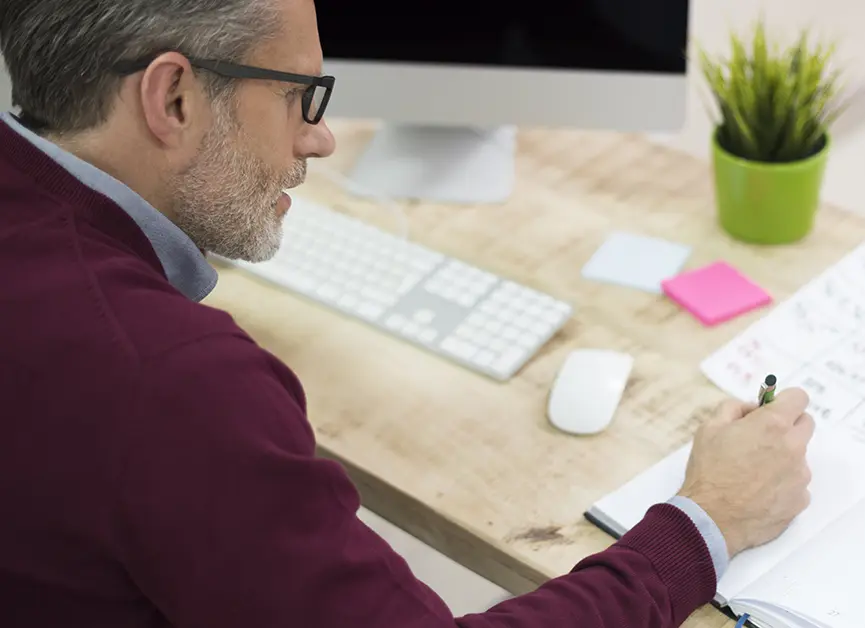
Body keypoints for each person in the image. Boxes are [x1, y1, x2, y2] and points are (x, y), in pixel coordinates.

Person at [0, 1, 817, 626]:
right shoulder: (176, 385)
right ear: (173, 98)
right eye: (301, 96)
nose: (319, 142)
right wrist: (706, 522)